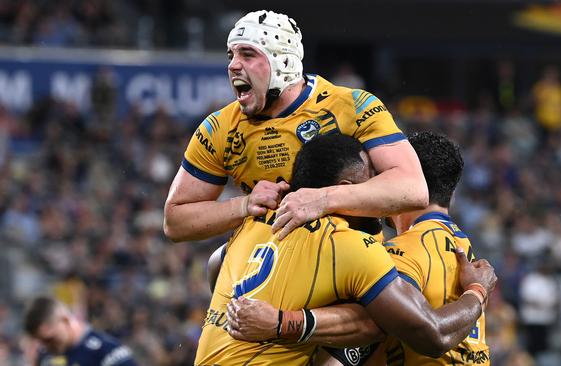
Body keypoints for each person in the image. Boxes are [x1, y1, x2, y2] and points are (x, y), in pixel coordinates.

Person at [195, 133, 497, 365]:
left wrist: (269, 317)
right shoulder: (358, 247)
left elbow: (215, 263)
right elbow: (424, 331)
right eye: (372, 179)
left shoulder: (253, 223)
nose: (378, 190)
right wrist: (477, 291)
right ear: (345, 187)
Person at [164, 10, 427, 243]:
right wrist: (243, 205)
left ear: (284, 63)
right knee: (217, 264)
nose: (233, 65)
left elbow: (412, 188)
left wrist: (323, 200)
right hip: (269, 264)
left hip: (348, 259)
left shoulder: (352, 105)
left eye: (247, 54)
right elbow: (174, 221)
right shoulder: (219, 128)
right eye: (231, 55)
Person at [23, 296, 138, 366]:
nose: (46, 346)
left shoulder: (107, 351)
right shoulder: (45, 357)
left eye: (50, 339)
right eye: (41, 341)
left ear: (65, 320)